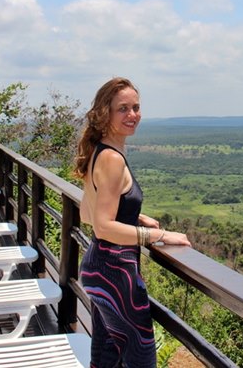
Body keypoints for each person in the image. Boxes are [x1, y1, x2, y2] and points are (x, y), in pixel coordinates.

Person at [74, 77, 191, 368]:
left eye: (136, 107)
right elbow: (102, 226)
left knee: (106, 359)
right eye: (122, 109)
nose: (132, 115)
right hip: (117, 274)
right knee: (141, 360)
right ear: (105, 113)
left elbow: (87, 214)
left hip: (97, 269)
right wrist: (159, 235)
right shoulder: (112, 159)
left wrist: (134, 216)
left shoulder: (99, 151)